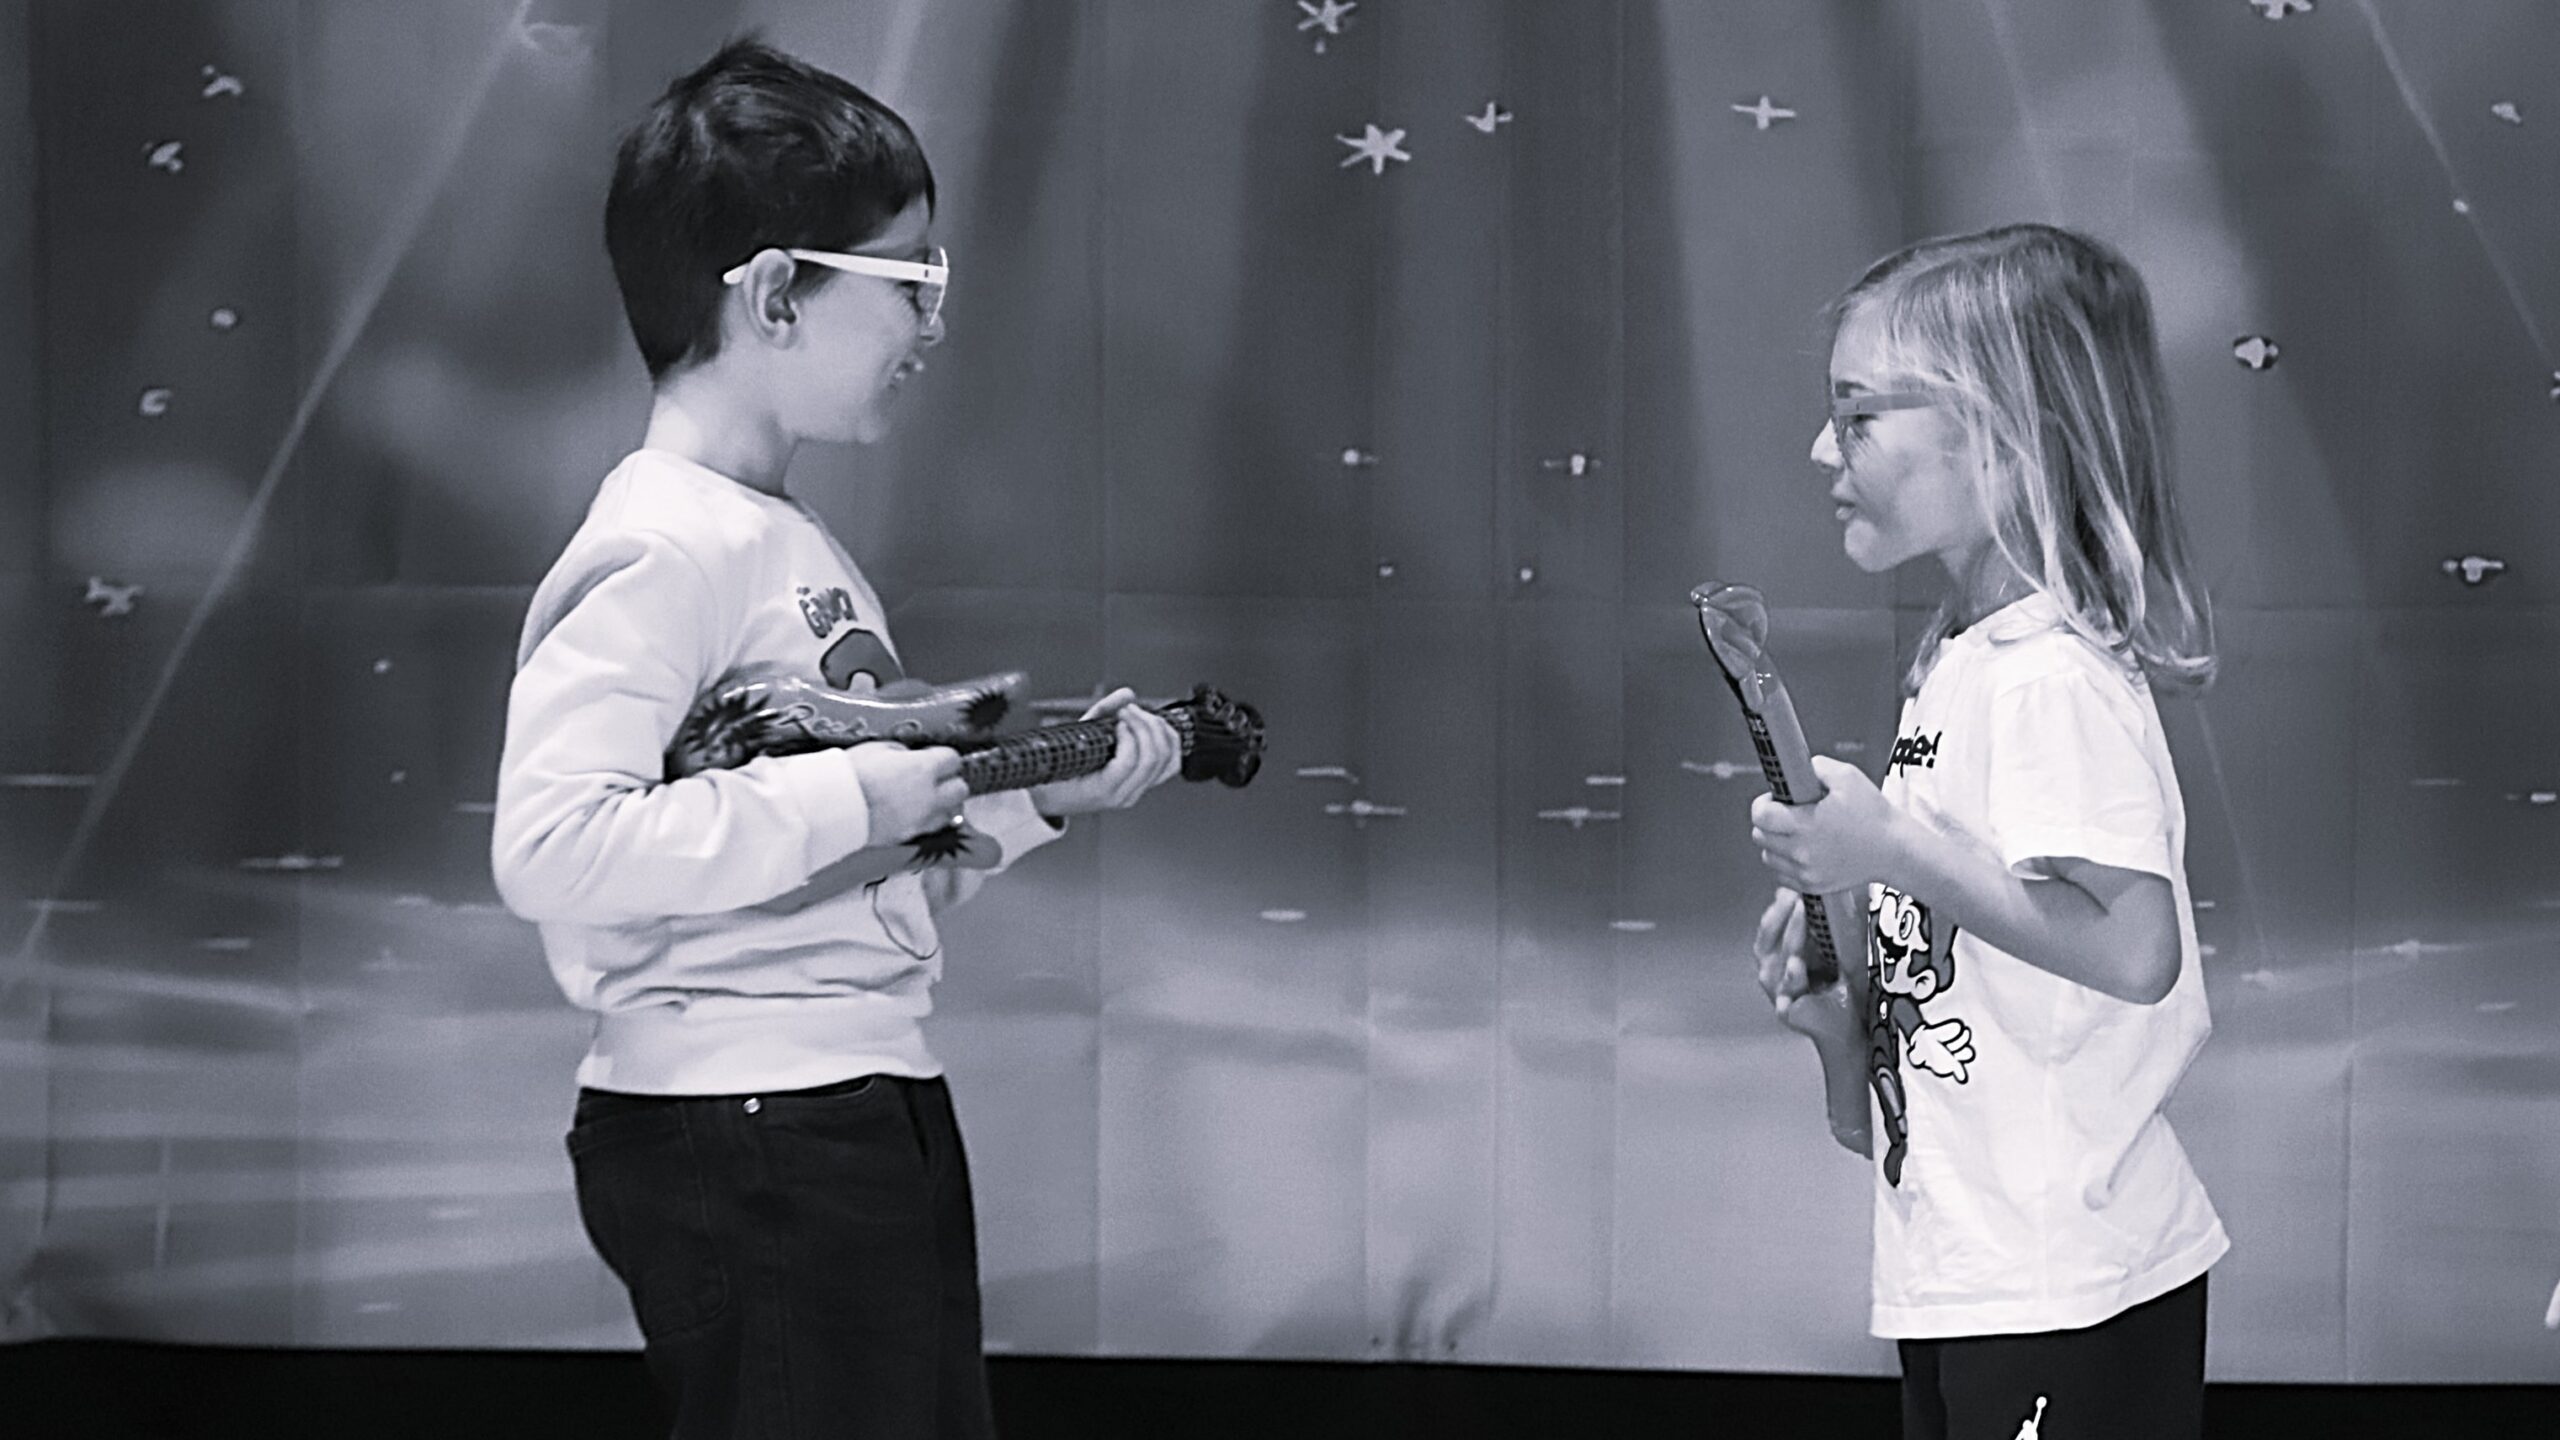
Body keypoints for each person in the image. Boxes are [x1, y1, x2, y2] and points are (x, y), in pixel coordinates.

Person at [490, 37, 1180, 1440]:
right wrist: (862, 795)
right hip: (749, 1119)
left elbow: (841, 863)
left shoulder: (782, 542)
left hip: (846, 1102)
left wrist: (1038, 802)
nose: (933, 323)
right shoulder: (663, 541)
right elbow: (554, 846)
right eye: (909, 279)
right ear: (772, 295)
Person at [1744, 223, 2226, 1440]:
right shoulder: (1958, 668)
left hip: (2068, 1295)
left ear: (2001, 434)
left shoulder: (2047, 678)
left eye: (1859, 414)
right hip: (1969, 1280)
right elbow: (1937, 1060)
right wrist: (1838, 1019)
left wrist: (1892, 852)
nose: (1823, 448)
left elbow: (2136, 951)